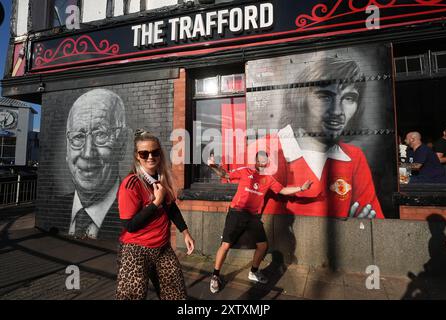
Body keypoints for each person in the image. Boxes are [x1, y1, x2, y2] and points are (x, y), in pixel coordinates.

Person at [253, 57, 384, 218]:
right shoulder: (268, 148)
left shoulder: (354, 157)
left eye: (349, 98)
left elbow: (372, 222)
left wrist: (357, 229)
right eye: (324, 96)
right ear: (299, 98)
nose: (337, 111)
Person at [207, 151, 313, 293]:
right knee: (225, 245)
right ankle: (215, 276)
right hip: (237, 213)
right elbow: (224, 174)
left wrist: (301, 188)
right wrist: (213, 167)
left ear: (267, 163)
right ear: (255, 161)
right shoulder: (245, 171)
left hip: (253, 217)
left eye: (264, 161)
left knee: (262, 246)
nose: (261, 163)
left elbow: (283, 190)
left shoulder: (268, 179)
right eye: (259, 160)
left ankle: (253, 272)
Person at [116, 130, 195, 300]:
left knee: (176, 295)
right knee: (131, 297)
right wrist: (155, 203)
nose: (150, 157)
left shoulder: (160, 178)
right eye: (144, 153)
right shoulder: (131, 184)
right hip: (136, 250)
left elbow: (171, 207)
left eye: (155, 152)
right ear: (137, 156)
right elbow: (130, 225)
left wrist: (185, 232)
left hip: (162, 248)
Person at [65, 89, 128, 239]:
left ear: (122, 145)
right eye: (78, 137)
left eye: (101, 134)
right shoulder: (51, 210)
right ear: (66, 148)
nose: (87, 153)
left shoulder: (134, 211)